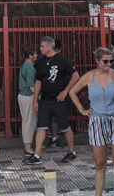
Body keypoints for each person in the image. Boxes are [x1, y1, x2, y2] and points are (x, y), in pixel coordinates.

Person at [68, 48, 114, 196]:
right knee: (100, 163)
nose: (109, 64)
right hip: (97, 120)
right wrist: (82, 110)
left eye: (111, 61)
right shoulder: (89, 76)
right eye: (105, 61)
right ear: (97, 61)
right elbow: (72, 92)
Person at [25, 36, 80, 164]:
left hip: (59, 101)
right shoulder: (41, 61)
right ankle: (37, 155)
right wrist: (35, 100)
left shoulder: (61, 60)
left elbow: (75, 75)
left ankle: (72, 152)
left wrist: (65, 91)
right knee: (41, 127)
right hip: (44, 100)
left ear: (49, 46)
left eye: (42, 46)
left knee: (65, 126)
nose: (40, 49)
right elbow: (38, 81)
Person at [18, 46, 38, 157]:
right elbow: (31, 85)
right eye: (34, 54)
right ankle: (28, 147)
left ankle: (27, 145)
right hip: (28, 95)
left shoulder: (24, 66)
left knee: (26, 121)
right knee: (29, 122)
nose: (36, 55)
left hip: (22, 95)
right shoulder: (29, 67)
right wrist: (37, 97)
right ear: (30, 56)